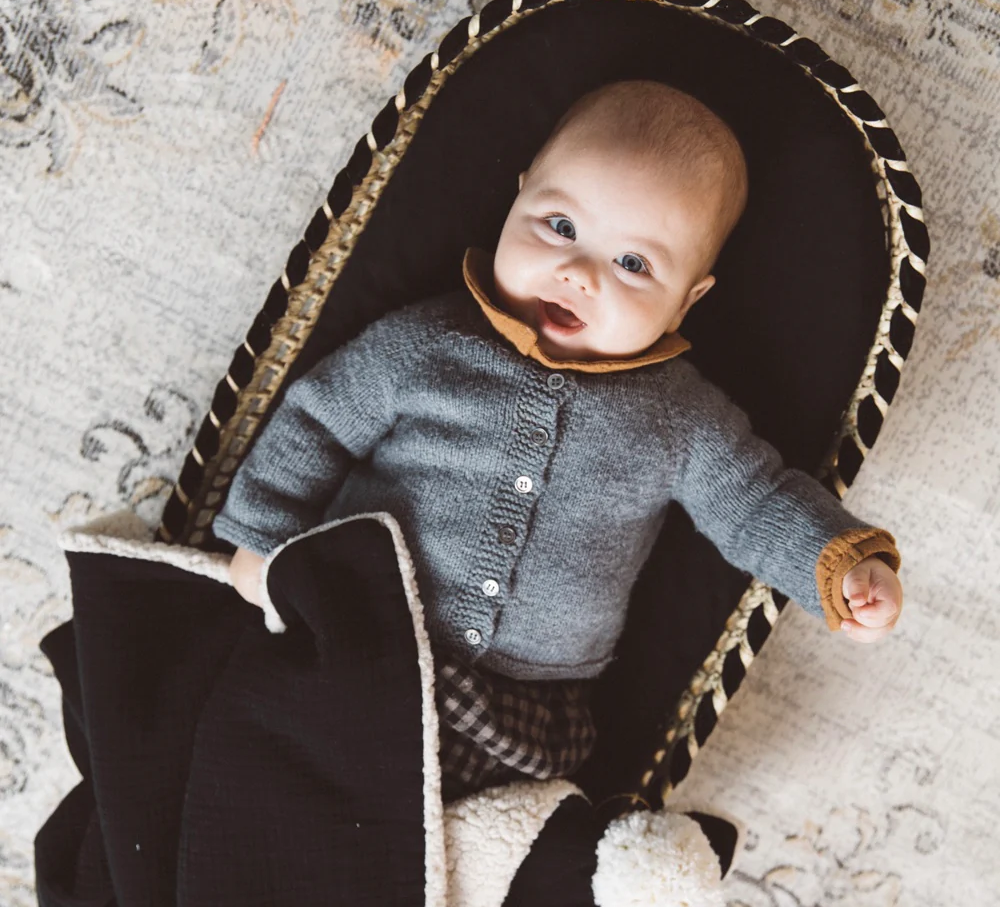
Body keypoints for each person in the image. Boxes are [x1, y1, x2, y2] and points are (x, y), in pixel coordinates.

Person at [212, 80, 903, 803]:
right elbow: (318, 421)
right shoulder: (427, 345)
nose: (578, 273)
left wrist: (836, 565)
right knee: (277, 757)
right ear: (516, 201)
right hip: (356, 634)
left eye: (633, 264)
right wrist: (263, 534)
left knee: (498, 824)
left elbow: (755, 504)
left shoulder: (680, 418)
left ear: (689, 299)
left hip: (524, 708)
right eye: (560, 226)